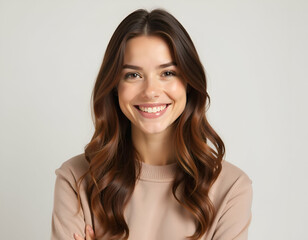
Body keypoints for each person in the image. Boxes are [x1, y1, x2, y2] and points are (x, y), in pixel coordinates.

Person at [51, 9, 252, 240]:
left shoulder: (231, 188)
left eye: (167, 72)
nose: (151, 92)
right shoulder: (76, 180)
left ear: (188, 82)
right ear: (115, 86)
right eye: (133, 75)